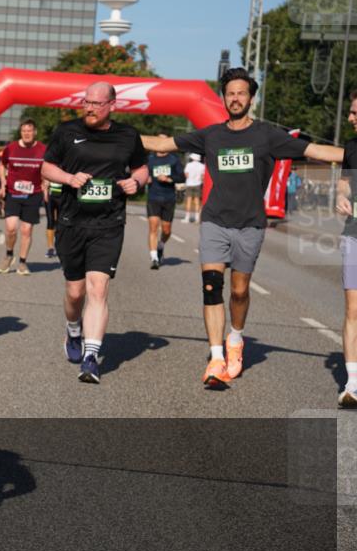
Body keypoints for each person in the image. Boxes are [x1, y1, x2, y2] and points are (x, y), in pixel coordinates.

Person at [143, 67, 343, 387]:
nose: (235, 98)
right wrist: (118, 135)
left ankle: (235, 339)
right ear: (223, 98)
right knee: (211, 285)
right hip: (214, 221)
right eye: (230, 93)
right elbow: (163, 144)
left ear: (251, 98)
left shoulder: (267, 136)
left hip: (250, 224)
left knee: (239, 291)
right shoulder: (211, 135)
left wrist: (352, 153)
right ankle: (216, 358)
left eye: (241, 93)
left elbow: (315, 151)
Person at [42, 82, 148, 384]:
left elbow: (141, 169)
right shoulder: (66, 132)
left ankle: (91, 357)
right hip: (71, 221)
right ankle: (73, 329)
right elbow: (46, 168)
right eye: (86, 102)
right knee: (75, 292)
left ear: (112, 105)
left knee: (98, 288)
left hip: (108, 222)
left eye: (96, 103)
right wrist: (68, 178)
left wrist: (136, 182)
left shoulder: (128, 135)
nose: (89, 108)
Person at [0, 119, 45, 275]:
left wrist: (46, 185)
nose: (27, 134)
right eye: (24, 131)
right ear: (20, 132)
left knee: (26, 230)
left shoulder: (42, 149)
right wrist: (2, 183)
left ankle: (23, 262)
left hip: (33, 194)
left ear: (35, 132)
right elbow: (2, 165)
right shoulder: (11, 148)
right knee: (11, 228)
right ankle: (9, 254)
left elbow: (47, 168)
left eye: (29, 131)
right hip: (13, 193)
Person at [335, 90, 357, 408]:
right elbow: (343, 184)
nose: (350, 117)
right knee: (353, 309)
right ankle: (353, 383)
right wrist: (340, 196)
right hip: (354, 234)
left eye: (354, 112)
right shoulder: (351, 148)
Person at [146, 148, 185, 269]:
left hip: (169, 198)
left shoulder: (173, 159)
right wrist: (145, 179)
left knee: (166, 230)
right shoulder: (149, 159)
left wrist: (169, 179)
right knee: (153, 227)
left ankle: (161, 245)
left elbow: (182, 178)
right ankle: (154, 258)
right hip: (153, 197)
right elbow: (142, 173)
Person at [43, 173, 62, 259]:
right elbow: (45, 172)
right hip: (51, 193)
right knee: (50, 221)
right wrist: (45, 189)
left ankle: (61, 245)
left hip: (63, 194)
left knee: (61, 221)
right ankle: (50, 248)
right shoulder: (52, 163)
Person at [182, 153, 205, 223]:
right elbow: (202, 176)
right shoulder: (202, 166)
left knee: (188, 201)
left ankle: (187, 218)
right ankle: (197, 218)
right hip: (198, 184)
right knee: (197, 201)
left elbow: (186, 174)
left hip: (189, 184)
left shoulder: (189, 165)